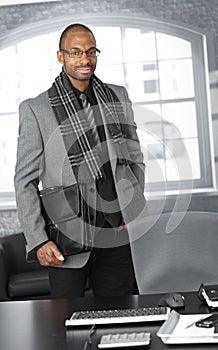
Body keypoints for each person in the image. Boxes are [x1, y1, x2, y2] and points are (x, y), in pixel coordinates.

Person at [14, 23, 146, 298]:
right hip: (67, 239)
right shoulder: (35, 110)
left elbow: (134, 157)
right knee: (66, 325)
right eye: (75, 52)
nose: (84, 60)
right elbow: (24, 182)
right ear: (60, 56)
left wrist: (131, 206)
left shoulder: (117, 96)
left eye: (90, 52)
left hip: (115, 234)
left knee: (119, 317)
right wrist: (39, 241)